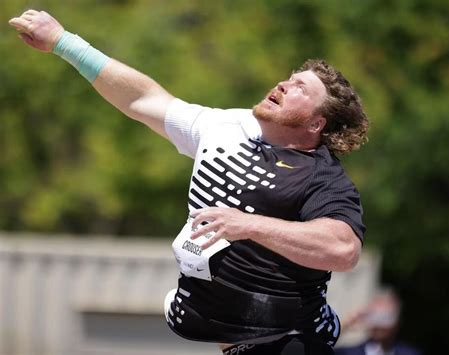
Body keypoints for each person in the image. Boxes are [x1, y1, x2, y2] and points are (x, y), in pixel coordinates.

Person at [9, 9, 369, 355]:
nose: (284, 85)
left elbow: (343, 250)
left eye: (300, 89)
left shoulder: (320, 175)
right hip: (240, 344)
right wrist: (62, 41)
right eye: (290, 78)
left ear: (315, 124)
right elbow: (141, 97)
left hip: (292, 341)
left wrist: (248, 225)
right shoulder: (223, 128)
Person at [335, 289, 421, 355]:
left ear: (397, 322)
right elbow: (323, 348)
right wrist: (346, 324)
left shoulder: (410, 353)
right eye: (374, 316)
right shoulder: (347, 353)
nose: (379, 324)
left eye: (384, 317)